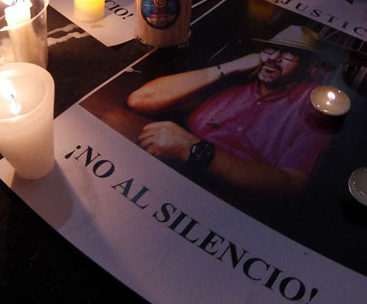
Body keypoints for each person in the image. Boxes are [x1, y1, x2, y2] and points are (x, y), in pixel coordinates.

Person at [126, 25, 332, 199]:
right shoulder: (234, 80)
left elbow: (292, 186)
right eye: (271, 49)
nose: (274, 58)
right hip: (166, 181)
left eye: (289, 53)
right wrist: (230, 67)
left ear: (310, 66)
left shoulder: (315, 104)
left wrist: (192, 148)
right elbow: (140, 100)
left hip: (231, 204)